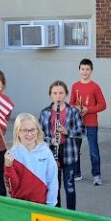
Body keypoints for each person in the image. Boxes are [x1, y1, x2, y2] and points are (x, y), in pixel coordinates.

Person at [39, 81, 85, 210]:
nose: (58, 96)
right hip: (51, 153)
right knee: (54, 187)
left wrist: (67, 131)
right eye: (55, 93)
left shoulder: (73, 111)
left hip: (69, 153)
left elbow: (82, 131)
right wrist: (51, 140)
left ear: (66, 94)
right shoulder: (45, 112)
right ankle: (57, 214)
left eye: (61, 93)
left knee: (69, 187)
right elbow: (38, 135)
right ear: (50, 95)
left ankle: (71, 214)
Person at [4, 113, 59, 206]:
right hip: (20, 205)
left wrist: (51, 204)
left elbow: (52, 180)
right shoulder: (12, 155)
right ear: (17, 132)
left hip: (42, 205)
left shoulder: (45, 151)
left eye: (32, 129)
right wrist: (8, 167)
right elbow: (13, 187)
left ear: (37, 130)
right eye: (24, 130)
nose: (29, 134)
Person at [71, 59, 106, 185]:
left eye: (87, 69)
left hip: (91, 124)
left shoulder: (95, 87)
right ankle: (76, 173)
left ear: (91, 71)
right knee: (75, 150)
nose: (84, 71)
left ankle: (96, 175)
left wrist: (88, 109)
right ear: (79, 70)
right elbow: (71, 103)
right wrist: (76, 108)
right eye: (82, 69)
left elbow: (103, 105)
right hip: (77, 124)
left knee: (93, 151)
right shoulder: (75, 86)